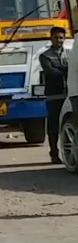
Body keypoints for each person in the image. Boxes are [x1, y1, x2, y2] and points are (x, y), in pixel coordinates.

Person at [39, 26, 69, 164]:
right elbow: (51, 72)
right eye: (56, 38)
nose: (59, 40)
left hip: (69, 94)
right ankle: (54, 152)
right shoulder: (44, 56)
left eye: (61, 38)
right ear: (51, 38)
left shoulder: (70, 53)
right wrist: (65, 69)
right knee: (54, 126)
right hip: (54, 96)